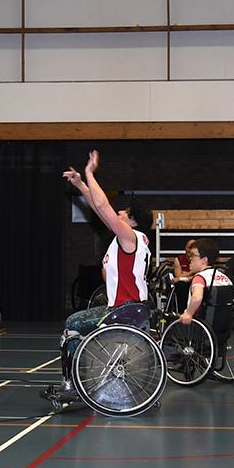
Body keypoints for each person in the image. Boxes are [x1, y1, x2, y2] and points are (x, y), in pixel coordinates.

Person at [48, 150, 151, 404]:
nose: (119, 213)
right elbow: (98, 208)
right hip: (131, 307)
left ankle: (73, 384)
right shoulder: (132, 240)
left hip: (125, 309)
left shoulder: (129, 238)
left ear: (133, 222)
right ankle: (78, 380)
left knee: (72, 324)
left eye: (124, 212)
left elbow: (104, 207)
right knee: (77, 324)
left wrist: (90, 173)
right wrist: (81, 185)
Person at [178, 238, 234, 330]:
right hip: (222, 328)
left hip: (200, 327)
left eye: (193, 255)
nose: (190, 258)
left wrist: (188, 313)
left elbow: (197, 297)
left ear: (204, 260)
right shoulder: (224, 277)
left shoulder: (200, 278)